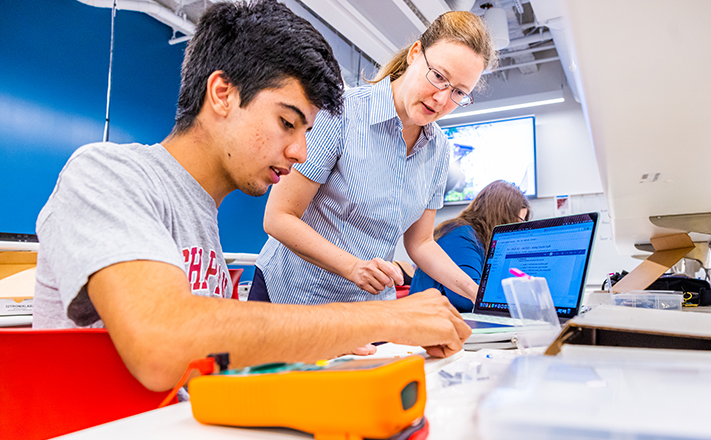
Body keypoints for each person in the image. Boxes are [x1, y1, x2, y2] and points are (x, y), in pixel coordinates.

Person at [32, 0, 470, 392]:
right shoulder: (105, 173)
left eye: (306, 132)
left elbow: (209, 367)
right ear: (222, 94)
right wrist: (382, 318)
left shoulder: (202, 217)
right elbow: (162, 345)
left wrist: (326, 343)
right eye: (286, 122)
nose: (299, 152)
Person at [252, 11, 497, 306]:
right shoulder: (341, 112)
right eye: (439, 77)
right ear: (415, 54)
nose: (442, 100)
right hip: (295, 296)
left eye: (459, 92)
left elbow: (420, 243)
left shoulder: (439, 149)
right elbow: (278, 217)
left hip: (368, 306)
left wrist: (481, 294)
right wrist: (352, 267)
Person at [409, 181, 530, 312]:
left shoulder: (476, 238)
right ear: (501, 214)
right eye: (518, 222)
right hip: (429, 322)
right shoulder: (459, 235)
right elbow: (466, 300)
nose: (519, 230)